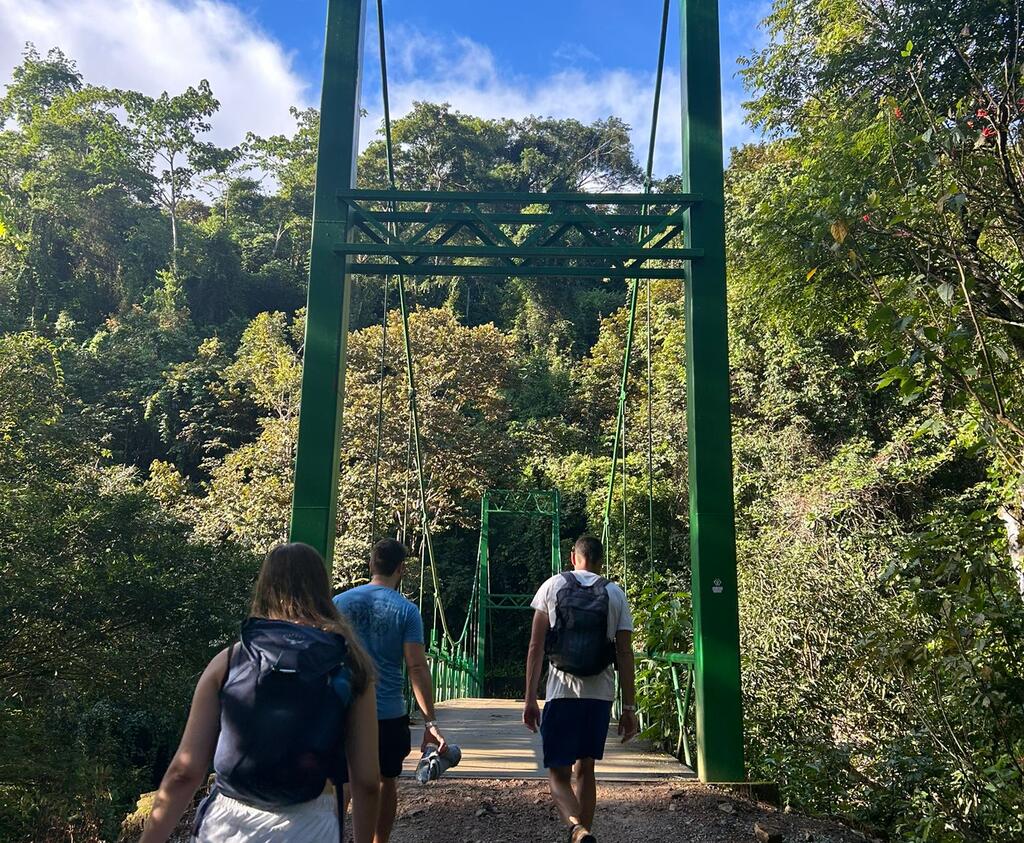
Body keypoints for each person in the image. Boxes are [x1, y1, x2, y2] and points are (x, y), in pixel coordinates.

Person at [140, 543, 381, 843]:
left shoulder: (229, 660)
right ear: (323, 589)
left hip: (227, 825)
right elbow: (367, 781)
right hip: (308, 826)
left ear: (264, 587)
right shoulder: (349, 666)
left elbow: (184, 772)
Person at [523, 535, 638, 843]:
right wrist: (629, 708)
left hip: (561, 693)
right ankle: (583, 834)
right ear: (601, 561)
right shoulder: (615, 593)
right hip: (599, 696)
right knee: (586, 769)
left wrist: (530, 698)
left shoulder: (552, 586)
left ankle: (576, 829)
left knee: (558, 774)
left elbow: (535, 646)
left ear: (573, 558)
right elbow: (625, 653)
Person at [334, 538, 447, 843]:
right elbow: (417, 667)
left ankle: (333, 837)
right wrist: (430, 721)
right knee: (386, 780)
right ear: (401, 569)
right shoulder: (407, 611)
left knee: (343, 780)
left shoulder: (339, 603)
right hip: (387, 711)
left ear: (371, 564)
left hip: (344, 708)